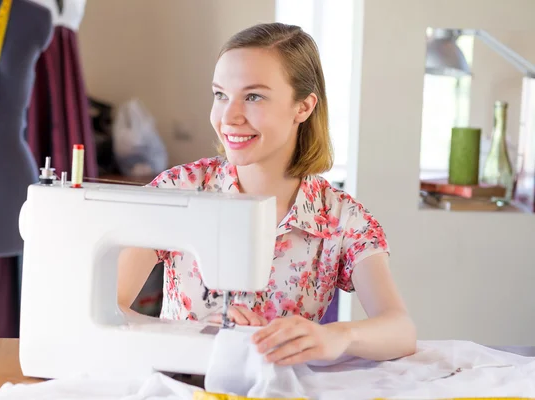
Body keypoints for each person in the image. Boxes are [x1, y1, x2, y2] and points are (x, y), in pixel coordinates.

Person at [118, 22, 416, 366]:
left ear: (303, 107)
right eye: (220, 95)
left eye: (253, 96)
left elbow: (400, 329)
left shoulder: (340, 219)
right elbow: (107, 309)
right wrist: (194, 337)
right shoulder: (178, 191)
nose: (228, 116)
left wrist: (338, 335)